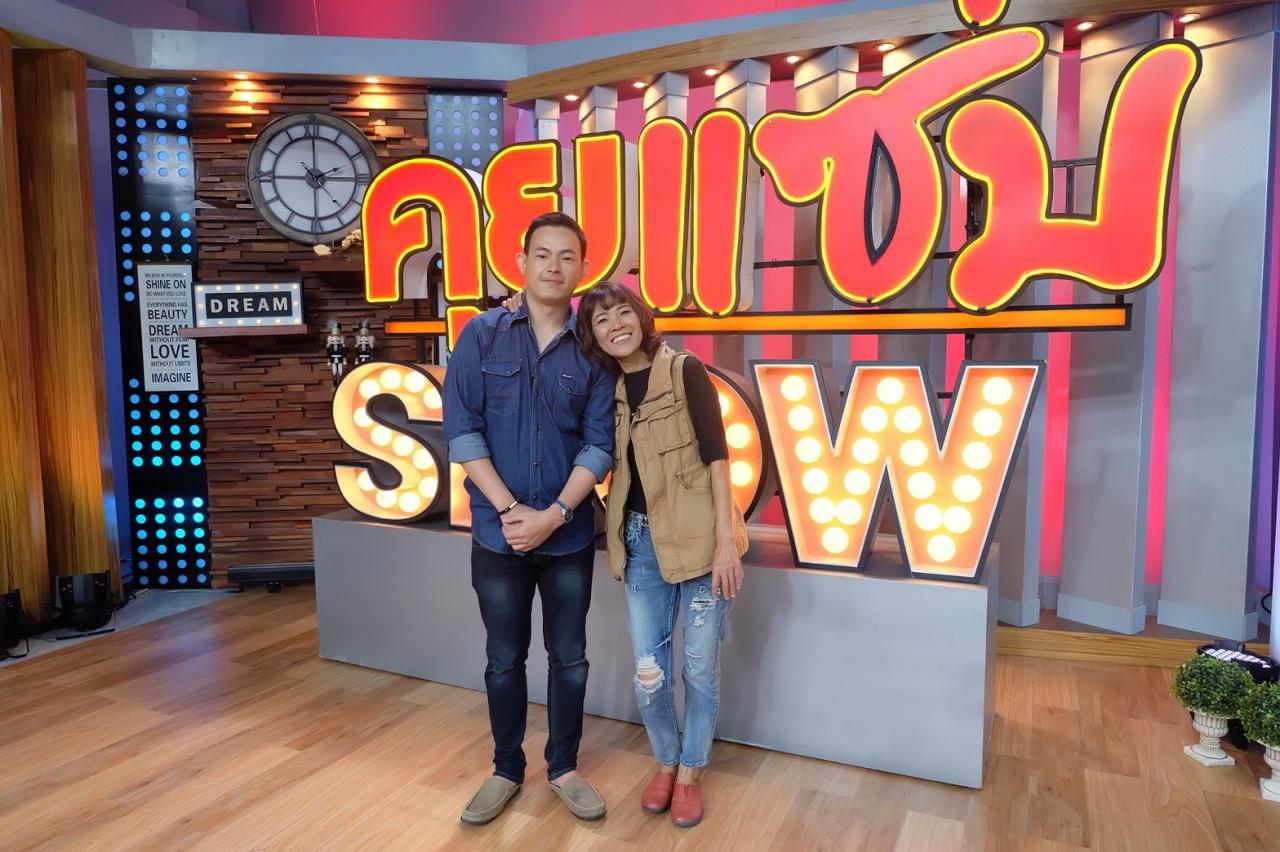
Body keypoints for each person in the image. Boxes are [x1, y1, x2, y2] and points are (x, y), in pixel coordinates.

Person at [443, 212, 615, 826]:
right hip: (499, 536)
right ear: (521, 262)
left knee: (570, 659)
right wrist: (513, 511)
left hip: (568, 537)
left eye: (567, 256)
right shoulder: (481, 335)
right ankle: (506, 769)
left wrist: (557, 513)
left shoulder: (593, 348)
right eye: (543, 254)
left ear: (582, 268)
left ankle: (564, 767)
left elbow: (599, 444)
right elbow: (462, 431)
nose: (554, 266)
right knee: (502, 659)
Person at [578, 281, 748, 828]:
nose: (616, 325)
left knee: (698, 669)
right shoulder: (605, 391)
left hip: (701, 540)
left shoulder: (684, 370)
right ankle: (666, 761)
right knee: (649, 672)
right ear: (593, 336)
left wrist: (726, 543)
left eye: (623, 311)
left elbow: (717, 458)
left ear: (641, 316)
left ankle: (690, 772)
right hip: (641, 545)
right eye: (602, 319)